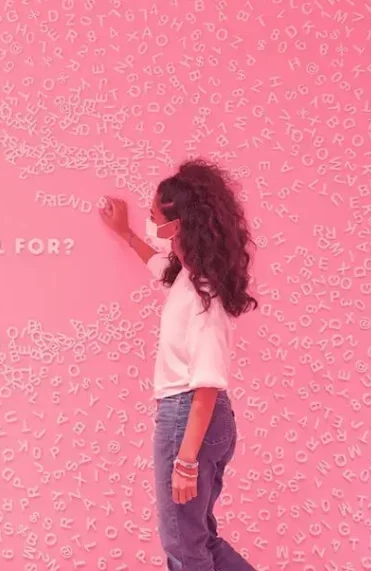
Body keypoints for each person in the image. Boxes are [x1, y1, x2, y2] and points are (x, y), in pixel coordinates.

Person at [99, 157, 258, 571]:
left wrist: (185, 461)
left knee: (183, 547)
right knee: (198, 539)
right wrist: (128, 234)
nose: (152, 223)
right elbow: (161, 270)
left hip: (189, 417)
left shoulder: (205, 294)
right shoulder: (191, 277)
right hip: (198, 419)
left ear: (180, 224)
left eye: (155, 218)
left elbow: (207, 384)